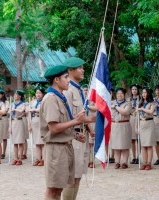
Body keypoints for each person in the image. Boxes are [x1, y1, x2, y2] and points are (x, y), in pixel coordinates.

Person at [41, 65, 86, 200]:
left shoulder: (60, 97)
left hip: (65, 146)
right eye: (66, 77)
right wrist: (76, 121)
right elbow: (53, 128)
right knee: (53, 190)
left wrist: (75, 135)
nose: (68, 80)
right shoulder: (50, 98)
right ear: (56, 79)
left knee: (60, 187)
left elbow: (63, 124)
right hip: (56, 149)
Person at [62, 57, 95, 200]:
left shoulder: (79, 90)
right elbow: (66, 116)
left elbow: (81, 112)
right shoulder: (68, 91)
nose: (83, 70)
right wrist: (88, 119)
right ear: (70, 70)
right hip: (73, 137)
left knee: (78, 175)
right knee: (71, 177)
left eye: (82, 67)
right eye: (79, 68)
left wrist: (89, 128)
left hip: (82, 135)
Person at [110, 88, 132, 169]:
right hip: (115, 125)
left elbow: (126, 112)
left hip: (124, 124)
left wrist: (115, 107)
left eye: (121, 93)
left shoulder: (128, 103)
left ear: (124, 94)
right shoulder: (112, 102)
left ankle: (125, 162)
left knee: (124, 145)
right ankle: (117, 162)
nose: (119, 95)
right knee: (116, 145)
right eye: (118, 93)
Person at [135, 88, 156, 170]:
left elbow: (151, 112)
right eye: (142, 92)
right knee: (143, 145)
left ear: (149, 93)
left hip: (149, 123)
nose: (143, 94)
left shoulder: (152, 103)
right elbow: (137, 115)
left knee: (149, 145)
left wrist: (143, 109)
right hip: (142, 124)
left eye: (145, 92)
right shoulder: (140, 103)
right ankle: (144, 162)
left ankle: (149, 163)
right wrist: (136, 127)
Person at [28, 86, 45, 166]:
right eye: (37, 93)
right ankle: (38, 158)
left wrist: (34, 110)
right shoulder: (33, 102)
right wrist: (29, 124)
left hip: (42, 121)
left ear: (43, 94)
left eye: (40, 93)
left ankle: (44, 159)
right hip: (34, 121)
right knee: (37, 142)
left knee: (42, 141)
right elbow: (29, 113)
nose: (38, 94)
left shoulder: (45, 101)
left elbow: (43, 109)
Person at [82, 84, 97, 168]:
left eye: (87, 90)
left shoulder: (92, 99)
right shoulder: (80, 99)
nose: (86, 91)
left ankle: (92, 160)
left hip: (91, 122)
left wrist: (87, 106)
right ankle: (86, 160)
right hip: (82, 123)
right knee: (85, 143)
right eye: (84, 90)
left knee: (91, 143)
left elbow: (97, 107)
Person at [9, 90, 26, 166]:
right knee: (15, 142)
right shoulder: (12, 104)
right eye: (14, 95)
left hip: (19, 121)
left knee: (20, 141)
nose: (15, 96)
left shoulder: (23, 104)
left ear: (20, 96)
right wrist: (9, 127)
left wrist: (15, 109)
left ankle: (20, 158)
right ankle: (15, 158)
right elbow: (9, 116)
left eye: (16, 95)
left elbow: (22, 111)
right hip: (13, 122)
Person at [129, 84, 141, 164]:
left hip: (139, 118)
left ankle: (138, 156)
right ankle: (134, 157)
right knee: (132, 139)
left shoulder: (141, 99)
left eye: (135, 89)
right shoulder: (128, 99)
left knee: (138, 139)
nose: (134, 91)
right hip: (131, 118)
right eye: (133, 89)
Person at [0, 89, 10, 159]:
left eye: (0, 94)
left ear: (3, 95)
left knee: (4, 137)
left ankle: (3, 152)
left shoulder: (6, 102)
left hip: (4, 118)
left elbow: (5, 111)